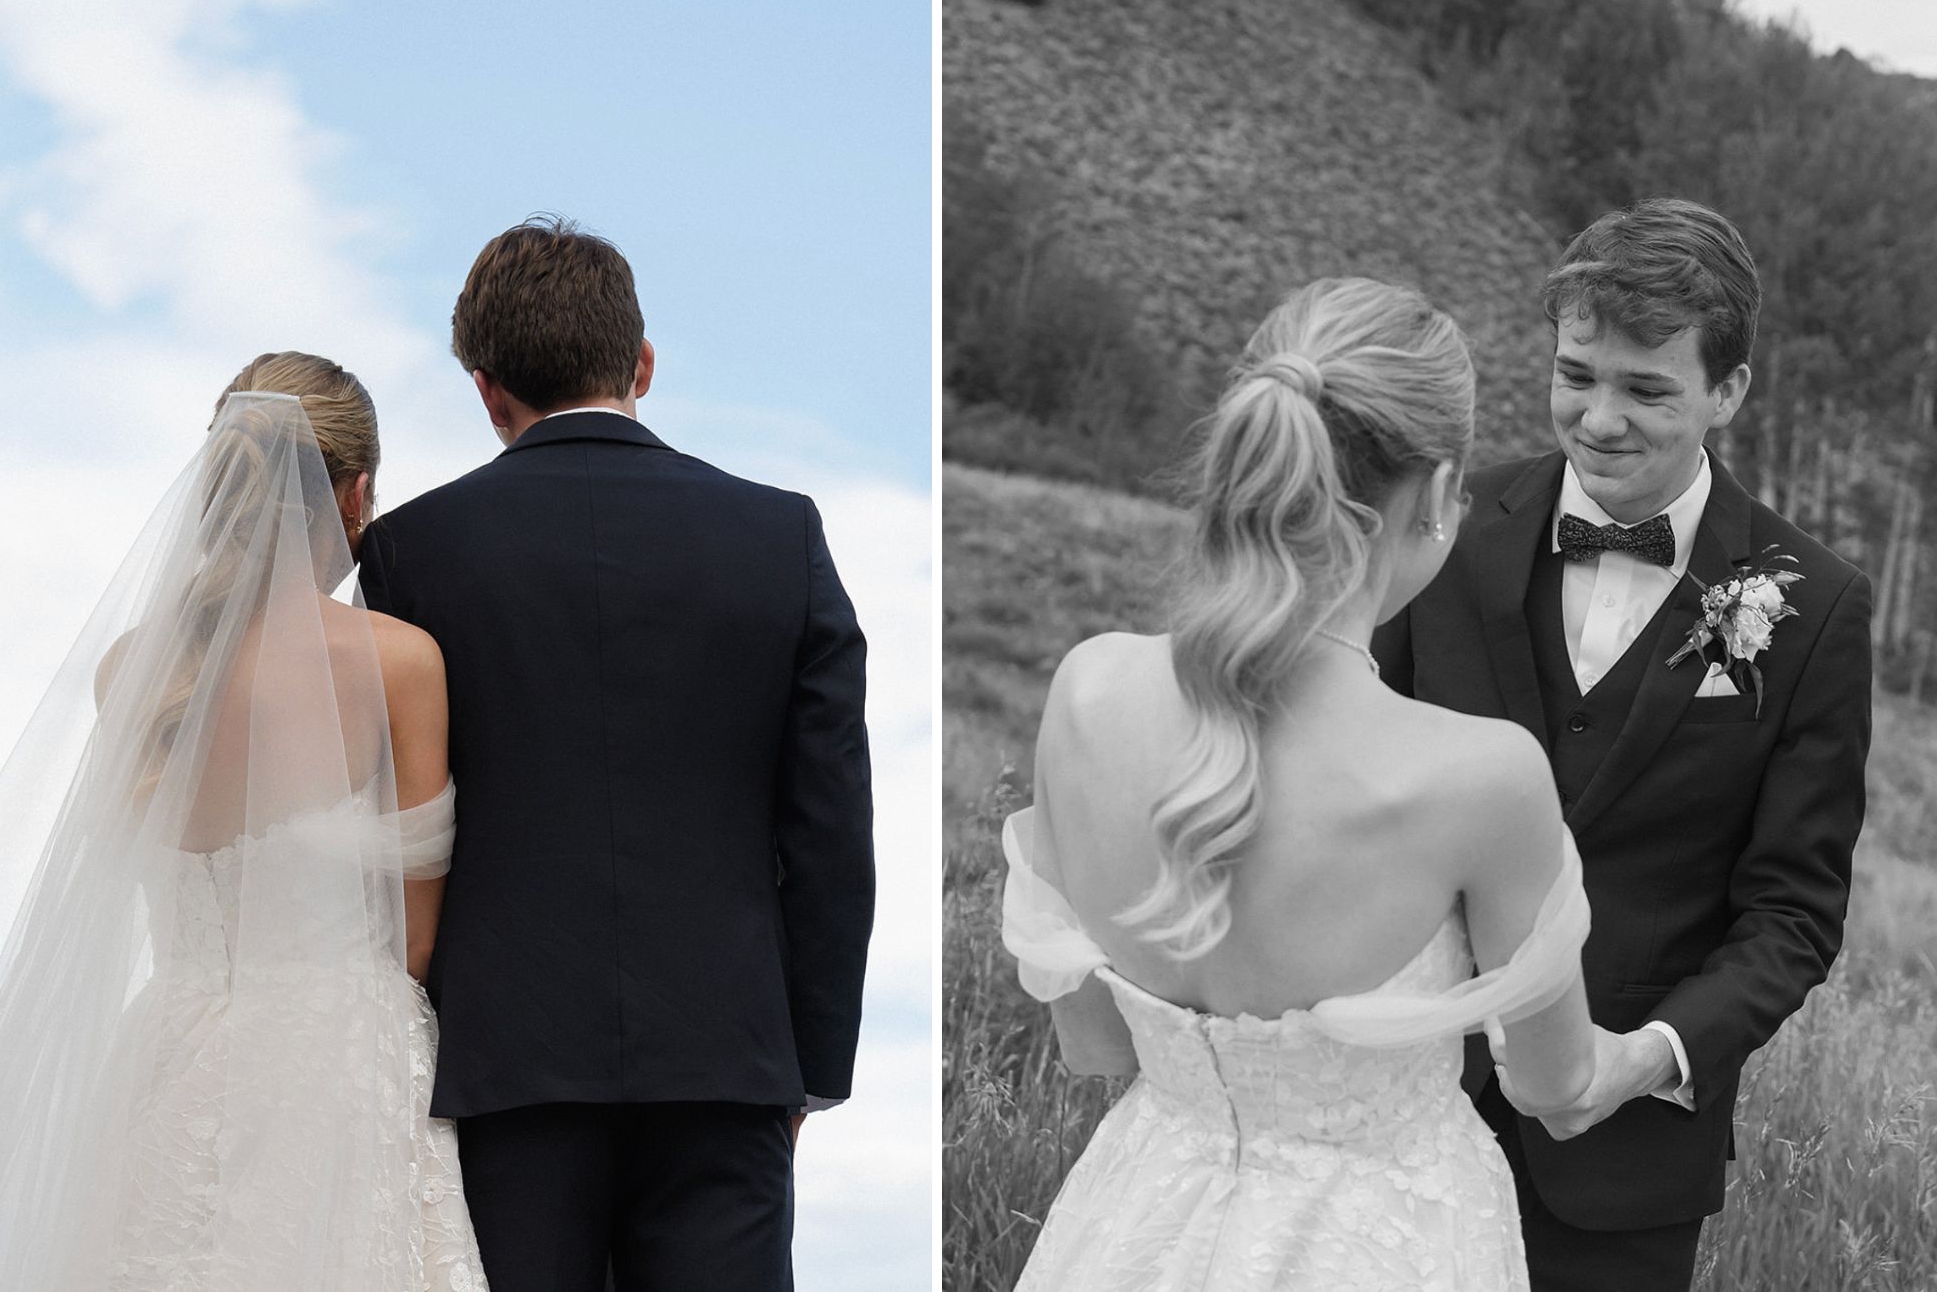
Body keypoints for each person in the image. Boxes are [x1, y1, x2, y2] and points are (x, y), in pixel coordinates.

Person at [1001, 276, 1596, 1289]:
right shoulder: (1480, 778)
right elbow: (1551, 1081)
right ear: (1439, 491)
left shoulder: (1087, 689)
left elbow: (1096, 1047)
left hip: (1136, 1224)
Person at [357, 216, 875, 1292]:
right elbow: (828, 834)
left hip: (498, 1074)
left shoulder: (409, 552)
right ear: (641, 363)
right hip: (727, 1064)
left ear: (485, 387)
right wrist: (808, 1072)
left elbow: (395, 837)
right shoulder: (781, 536)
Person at [1373, 197, 1872, 1291]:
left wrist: (1641, 1062)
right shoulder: (1440, 528)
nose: (1596, 418)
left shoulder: (1814, 607)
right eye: (1574, 375)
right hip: (1388, 1118)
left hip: (1621, 1175)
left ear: (1727, 390)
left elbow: (1791, 911)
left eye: (1644, 389)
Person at [0, 355, 488, 1289]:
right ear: (354, 495)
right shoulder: (398, 661)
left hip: (172, 1057)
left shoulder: (134, 671)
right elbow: (417, 939)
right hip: (338, 1072)